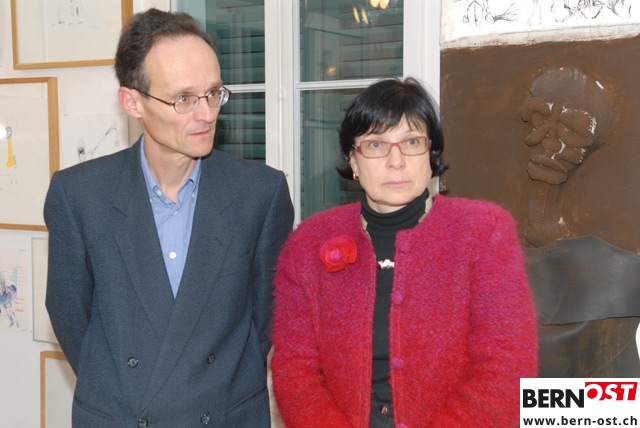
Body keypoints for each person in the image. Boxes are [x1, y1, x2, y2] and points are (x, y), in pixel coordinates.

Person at [44, 8, 293, 427]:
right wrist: (119, 391)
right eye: (183, 99)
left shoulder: (260, 194)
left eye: (213, 93)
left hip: (224, 414)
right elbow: (70, 315)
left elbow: (265, 321)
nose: (207, 113)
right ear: (132, 102)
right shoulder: (79, 195)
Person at [270, 77, 538, 428]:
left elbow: (507, 368)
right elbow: (294, 371)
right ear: (353, 160)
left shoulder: (484, 232)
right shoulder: (307, 244)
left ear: (431, 153)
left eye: (411, 142)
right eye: (376, 144)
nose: (396, 161)